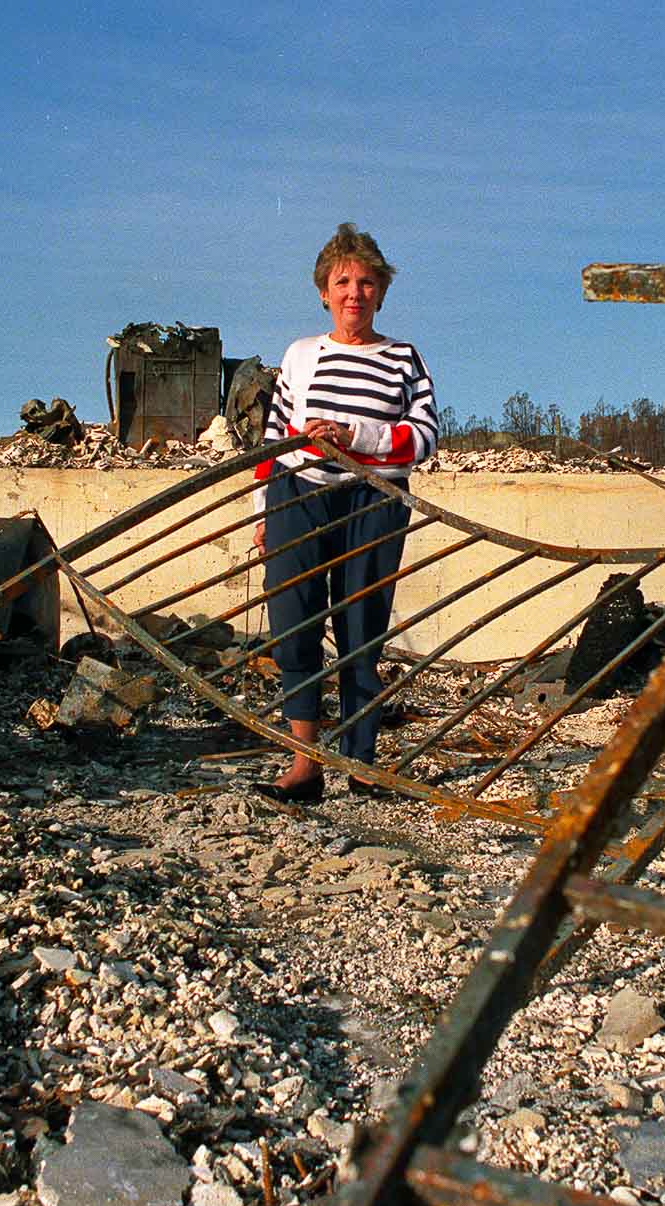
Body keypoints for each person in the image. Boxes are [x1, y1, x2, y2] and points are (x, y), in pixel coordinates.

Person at [249, 223, 438, 803]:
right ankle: (305, 764)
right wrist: (263, 509)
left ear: (381, 292)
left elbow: (426, 437)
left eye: (366, 282)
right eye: (342, 282)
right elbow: (275, 436)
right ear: (324, 292)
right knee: (294, 623)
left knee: (361, 625)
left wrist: (354, 434)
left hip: (372, 502)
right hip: (297, 494)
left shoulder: (403, 359)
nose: (354, 293)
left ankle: (362, 763)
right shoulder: (301, 355)